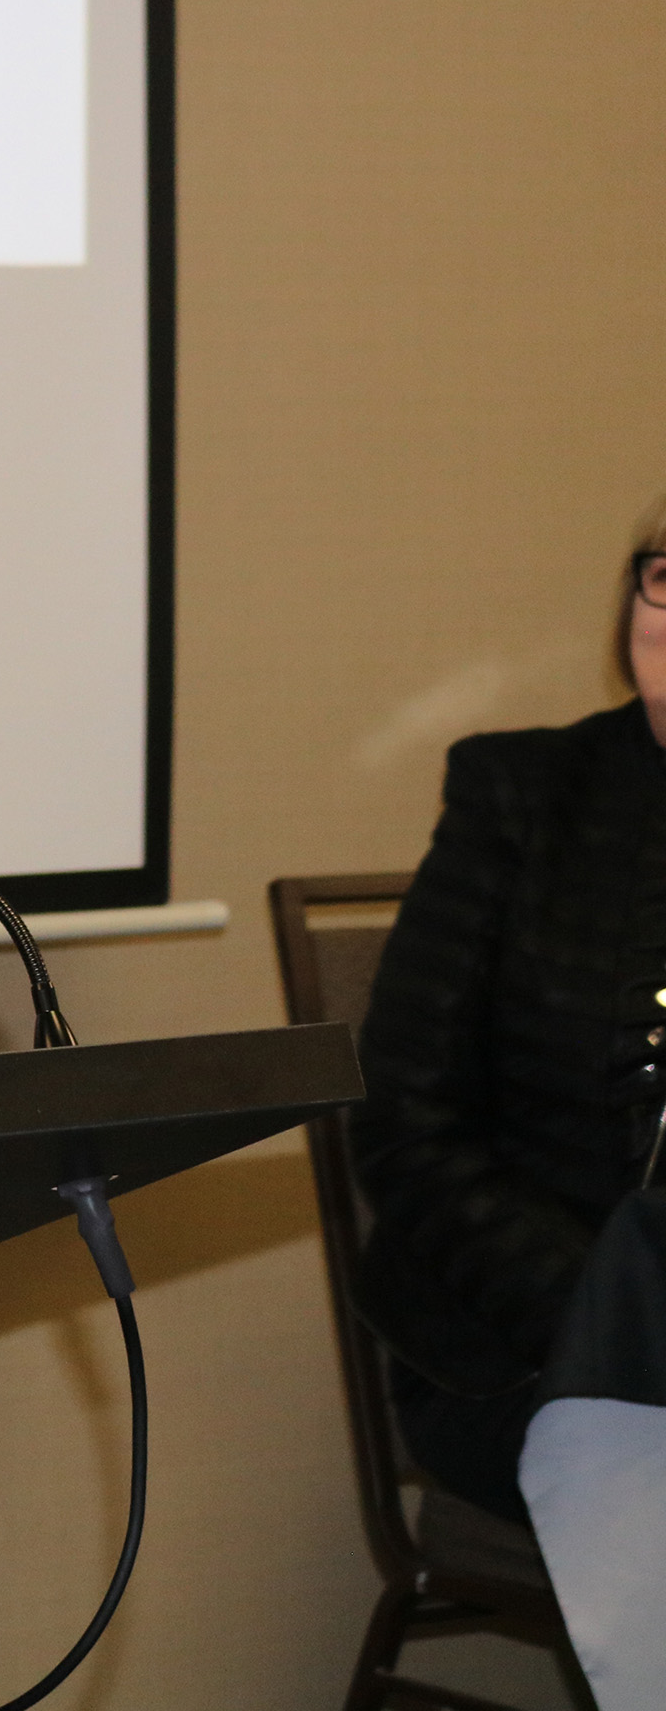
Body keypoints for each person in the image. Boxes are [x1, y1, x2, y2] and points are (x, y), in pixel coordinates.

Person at [350, 494, 666, 1702]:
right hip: (524, 1347)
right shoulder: (519, 794)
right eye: (664, 574)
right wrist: (602, 1312)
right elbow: (404, 1121)